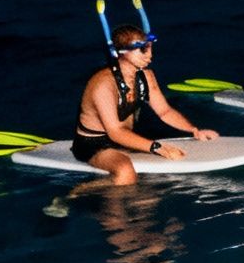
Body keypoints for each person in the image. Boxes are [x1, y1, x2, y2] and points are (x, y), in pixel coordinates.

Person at [73, 24, 217, 185]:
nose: (150, 55)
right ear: (121, 52)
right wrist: (156, 147)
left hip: (124, 139)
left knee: (149, 192)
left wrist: (194, 130)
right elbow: (115, 131)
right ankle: (76, 194)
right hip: (94, 145)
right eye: (143, 50)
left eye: (150, 48)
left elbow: (164, 111)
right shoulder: (103, 85)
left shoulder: (146, 76)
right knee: (125, 171)